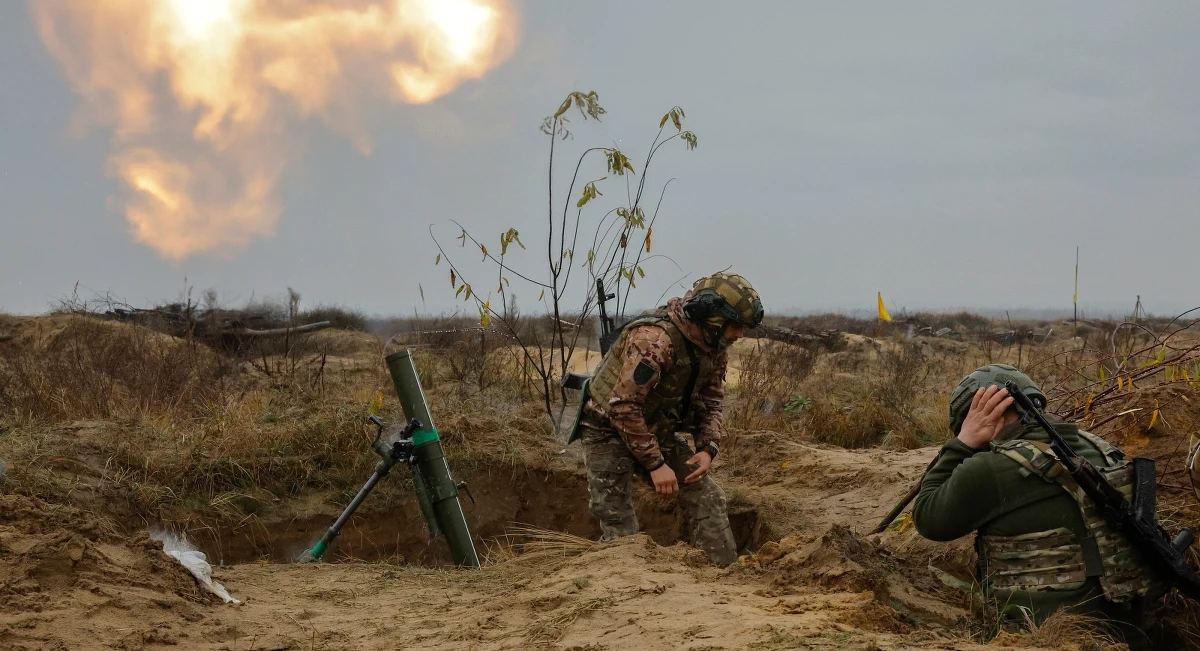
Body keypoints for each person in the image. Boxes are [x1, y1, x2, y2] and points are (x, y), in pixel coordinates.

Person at [913, 364, 1161, 647]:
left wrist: (963, 442)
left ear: (981, 415)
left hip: (1045, 637)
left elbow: (928, 518)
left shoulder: (990, 469)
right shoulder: (1100, 448)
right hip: (1128, 635)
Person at [568, 271, 764, 567]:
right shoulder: (654, 341)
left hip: (653, 428)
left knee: (709, 497)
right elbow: (622, 406)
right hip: (606, 429)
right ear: (709, 315)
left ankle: (722, 580)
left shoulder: (713, 345)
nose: (739, 335)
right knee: (620, 530)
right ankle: (623, 592)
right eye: (735, 326)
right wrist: (656, 464)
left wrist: (708, 447)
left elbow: (710, 400)